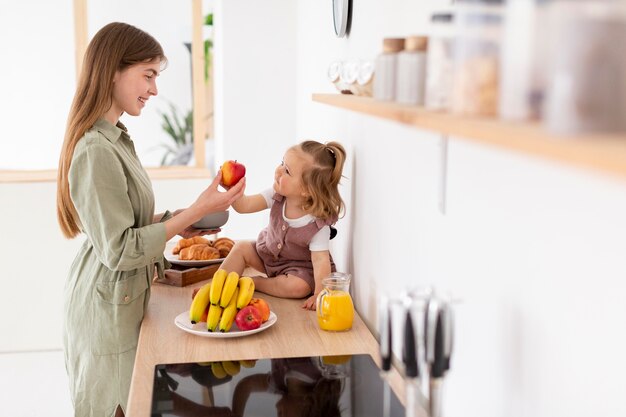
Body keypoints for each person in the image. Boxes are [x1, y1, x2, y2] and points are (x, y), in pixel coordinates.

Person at [56, 22, 245, 417]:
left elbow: (130, 220)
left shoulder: (117, 138)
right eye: (148, 75)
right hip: (105, 308)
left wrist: (182, 219)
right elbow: (121, 248)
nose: (155, 89)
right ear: (113, 70)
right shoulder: (95, 150)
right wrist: (192, 212)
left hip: (119, 299)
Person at [218, 140, 346, 310]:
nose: (279, 171)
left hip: (298, 270)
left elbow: (320, 261)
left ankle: (254, 283)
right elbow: (245, 206)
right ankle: (216, 287)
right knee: (241, 247)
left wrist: (318, 294)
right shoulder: (276, 195)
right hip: (268, 256)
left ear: (306, 190)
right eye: (281, 163)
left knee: (299, 287)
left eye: (287, 171)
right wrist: (232, 189)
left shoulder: (317, 225)